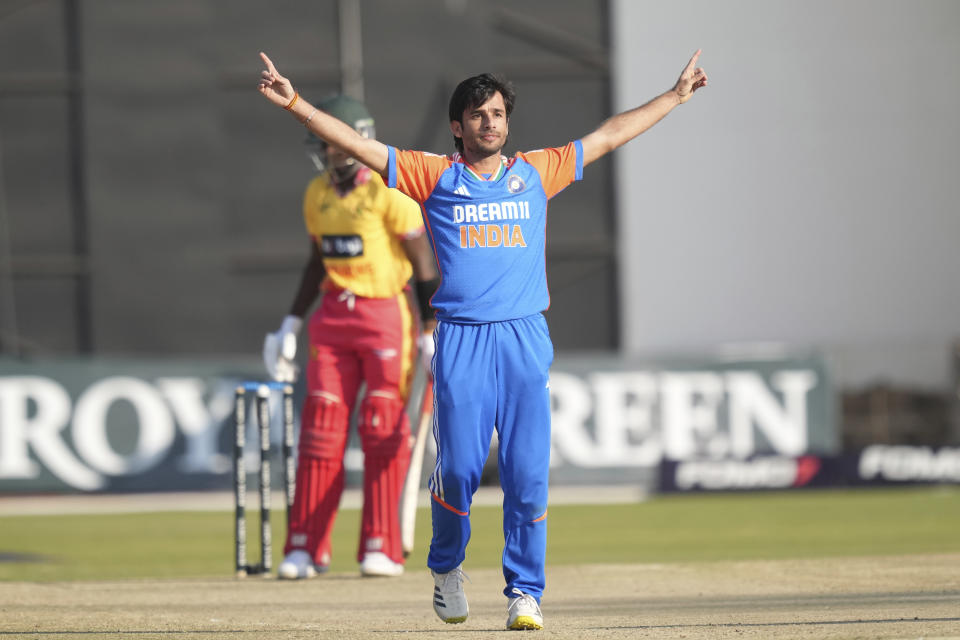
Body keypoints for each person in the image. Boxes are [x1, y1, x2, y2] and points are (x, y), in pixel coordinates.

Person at [257, 50, 707, 629]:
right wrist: (296, 105)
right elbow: (361, 146)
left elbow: (609, 135)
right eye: (477, 114)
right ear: (457, 126)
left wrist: (673, 97)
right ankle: (445, 568)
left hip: (524, 337)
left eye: (497, 113)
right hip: (463, 340)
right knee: (462, 470)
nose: (489, 122)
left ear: (506, 122)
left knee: (526, 472)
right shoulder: (433, 175)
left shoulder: (536, 171)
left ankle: (525, 592)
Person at [261, 94, 439, 580]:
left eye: (335, 144)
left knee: (382, 426)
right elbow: (317, 260)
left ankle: (380, 544)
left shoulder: (387, 190)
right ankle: (305, 546)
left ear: (357, 140)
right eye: (323, 144)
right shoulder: (317, 193)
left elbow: (422, 261)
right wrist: (291, 322)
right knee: (320, 430)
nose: (327, 152)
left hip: (385, 315)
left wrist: (429, 329)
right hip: (333, 319)